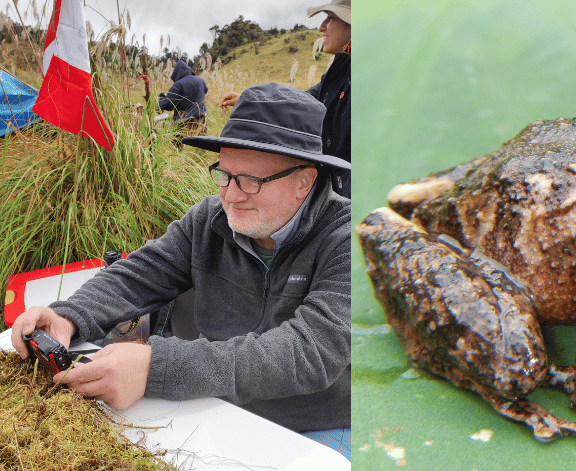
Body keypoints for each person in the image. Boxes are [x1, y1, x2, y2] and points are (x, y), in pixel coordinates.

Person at [12, 84, 352, 459]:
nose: (231, 196)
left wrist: (156, 366)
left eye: (251, 181)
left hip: (314, 429)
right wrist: (69, 316)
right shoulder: (210, 219)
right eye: (224, 174)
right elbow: (140, 273)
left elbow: (311, 352)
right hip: (213, 405)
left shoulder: (347, 238)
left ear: (305, 179)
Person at [219, 0, 350, 198]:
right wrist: (251, 102)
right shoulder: (337, 73)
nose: (322, 27)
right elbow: (304, 103)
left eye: (331, 18)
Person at [158, 59, 208, 140]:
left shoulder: (179, 84)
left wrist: (161, 100)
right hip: (201, 121)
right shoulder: (200, 80)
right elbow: (205, 91)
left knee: (177, 146)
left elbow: (169, 104)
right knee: (201, 147)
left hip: (184, 123)